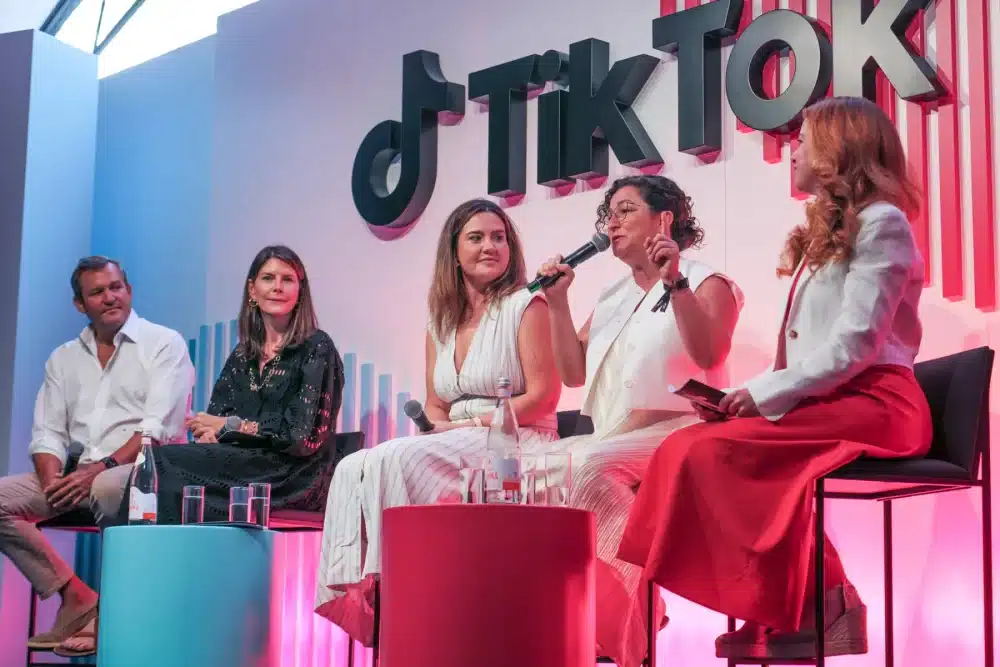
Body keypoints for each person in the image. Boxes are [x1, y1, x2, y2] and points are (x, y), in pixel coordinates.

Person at [617, 96, 932, 662]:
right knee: (686, 445)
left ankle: (813, 604)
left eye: (804, 140)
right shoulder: (834, 230)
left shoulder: (882, 223)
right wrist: (741, 396)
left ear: (839, 148)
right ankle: (808, 604)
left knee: (711, 453)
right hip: (837, 397)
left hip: (878, 402)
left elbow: (855, 346)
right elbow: (806, 355)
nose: (794, 150)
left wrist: (761, 395)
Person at [58, 245, 346, 658]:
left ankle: (128, 609)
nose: (278, 287)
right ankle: (145, 604)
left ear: (301, 290)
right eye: (269, 278)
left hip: (294, 472)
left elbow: (302, 438)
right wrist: (213, 434)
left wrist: (230, 427)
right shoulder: (243, 353)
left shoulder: (317, 347)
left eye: (288, 279)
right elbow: (214, 418)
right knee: (159, 469)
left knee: (161, 465)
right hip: (244, 464)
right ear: (252, 290)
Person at [313, 198, 562, 644]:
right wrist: (432, 430)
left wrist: (473, 425)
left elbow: (544, 396)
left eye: (499, 238)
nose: (490, 247)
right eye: (476, 238)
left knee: (392, 459)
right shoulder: (440, 321)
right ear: (454, 251)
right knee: (352, 466)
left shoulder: (527, 303)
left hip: (516, 439)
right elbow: (435, 404)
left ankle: (400, 586)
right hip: (456, 440)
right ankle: (367, 593)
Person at [533, 174, 743, 667]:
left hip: (681, 431)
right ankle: (591, 613)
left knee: (588, 467)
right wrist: (558, 304)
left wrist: (676, 283)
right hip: (615, 437)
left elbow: (710, 353)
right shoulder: (612, 297)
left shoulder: (707, 281)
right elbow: (573, 373)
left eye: (625, 210)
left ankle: (627, 623)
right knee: (534, 467)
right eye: (609, 214)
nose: (612, 223)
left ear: (664, 219)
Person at [0, 256, 193, 656]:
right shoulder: (63, 358)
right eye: (98, 292)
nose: (110, 297)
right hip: (79, 476)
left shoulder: (164, 343)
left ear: (129, 290)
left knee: (106, 486)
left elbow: (156, 429)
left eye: (116, 287)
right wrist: (53, 482)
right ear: (80, 304)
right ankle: (75, 595)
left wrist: (99, 470)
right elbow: (48, 434)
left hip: (144, 471)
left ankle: (116, 613)